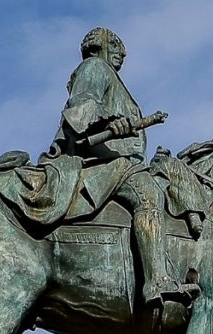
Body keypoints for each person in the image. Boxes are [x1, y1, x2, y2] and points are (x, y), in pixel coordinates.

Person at [45, 27, 185, 306]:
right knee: (149, 195)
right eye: (117, 46)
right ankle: (157, 280)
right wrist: (108, 122)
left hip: (117, 161)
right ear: (101, 46)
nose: (122, 53)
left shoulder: (107, 74)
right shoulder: (95, 67)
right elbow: (81, 108)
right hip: (106, 163)